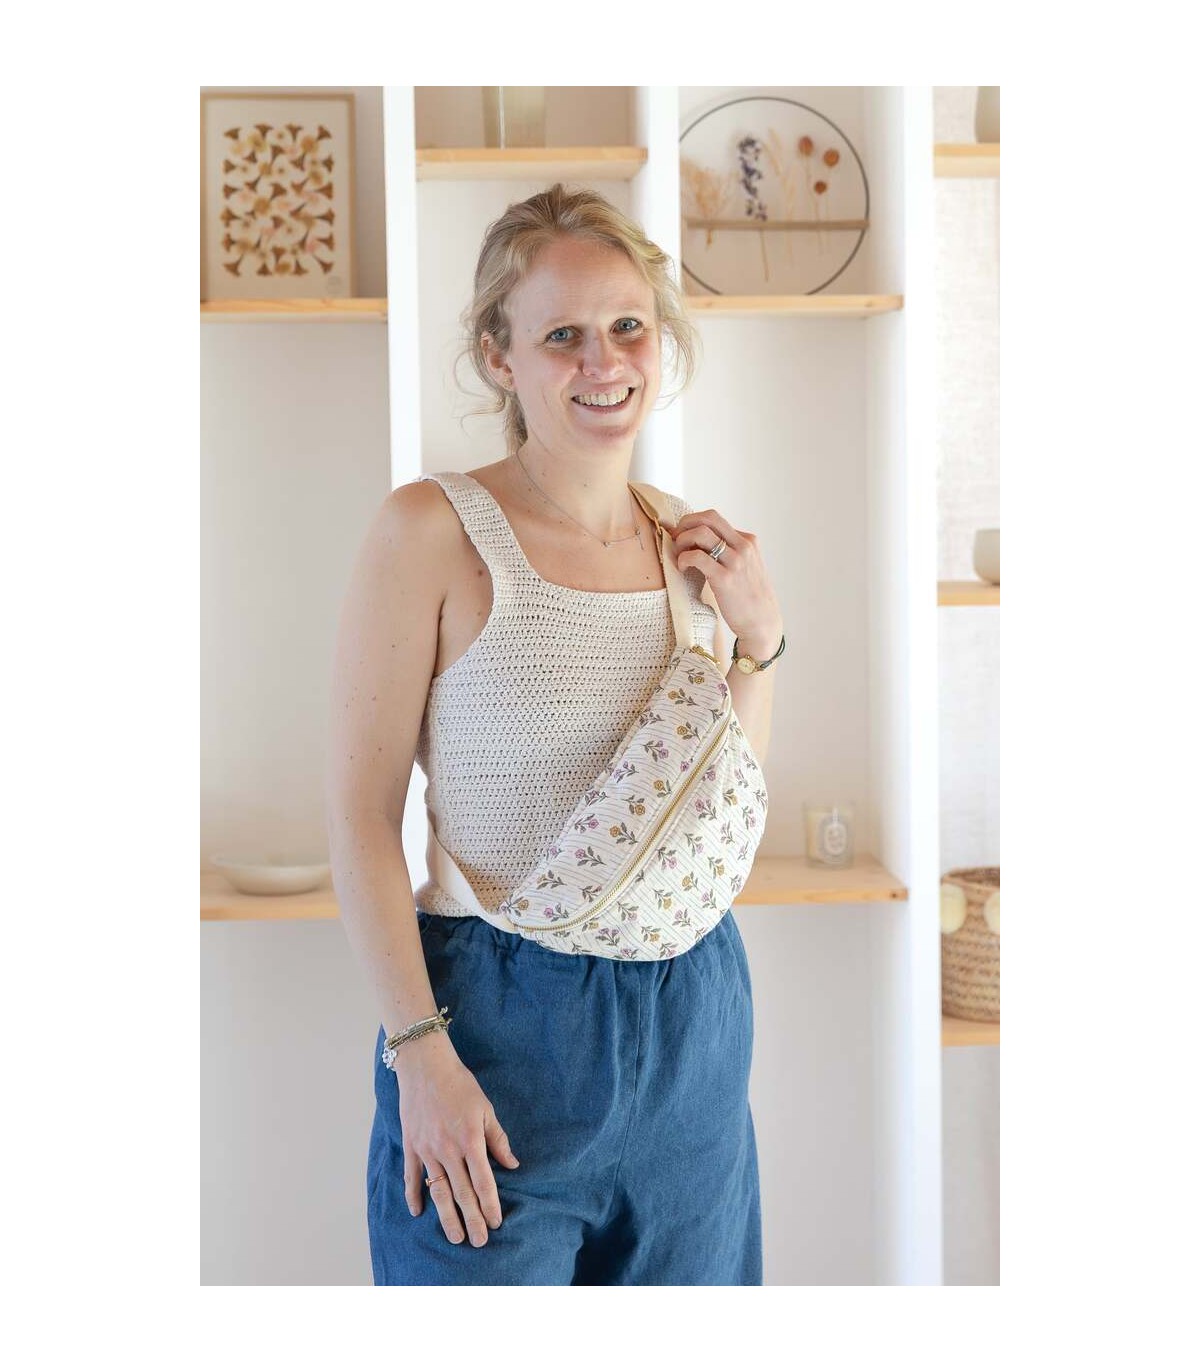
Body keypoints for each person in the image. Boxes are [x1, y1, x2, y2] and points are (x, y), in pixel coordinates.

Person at [326, 183, 785, 1286]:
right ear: (500, 355)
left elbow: (715, 807)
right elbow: (360, 816)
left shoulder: (689, 541)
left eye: (627, 326)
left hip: (693, 1022)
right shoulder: (432, 531)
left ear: (661, 340)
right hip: (495, 1030)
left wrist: (760, 641)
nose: (604, 362)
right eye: (562, 335)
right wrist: (420, 1054)